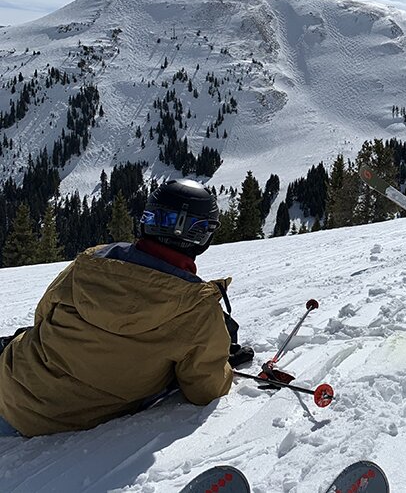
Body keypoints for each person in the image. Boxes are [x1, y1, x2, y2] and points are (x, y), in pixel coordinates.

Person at [0, 178, 252, 437]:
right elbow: (205, 389)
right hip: (66, 421)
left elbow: (43, 314)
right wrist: (221, 361)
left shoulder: (91, 262)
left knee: (24, 335)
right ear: (202, 236)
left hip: (9, 386)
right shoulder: (197, 309)